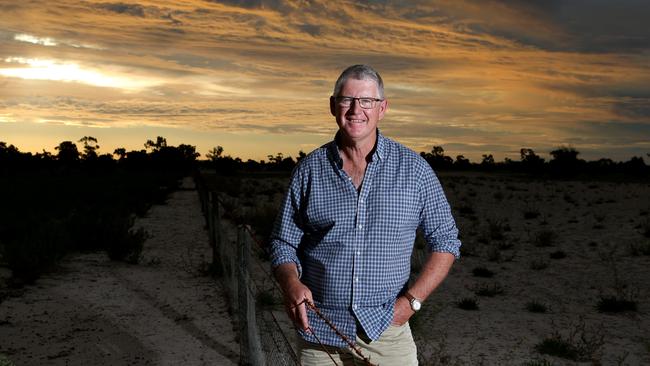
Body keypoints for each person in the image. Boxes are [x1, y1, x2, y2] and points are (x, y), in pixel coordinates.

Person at [269, 64, 461, 365]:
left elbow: (446, 241)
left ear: (382, 108)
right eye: (347, 100)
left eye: (367, 101)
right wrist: (291, 283)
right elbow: (283, 242)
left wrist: (412, 302)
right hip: (319, 331)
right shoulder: (309, 171)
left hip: (387, 330)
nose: (356, 109)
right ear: (333, 105)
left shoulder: (415, 171)